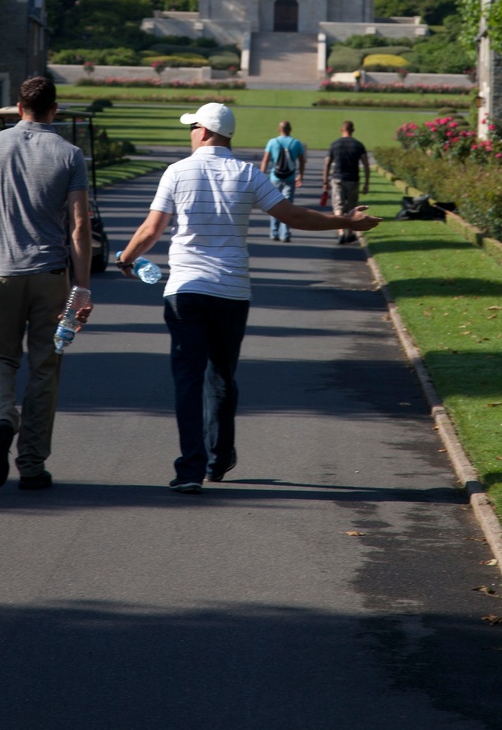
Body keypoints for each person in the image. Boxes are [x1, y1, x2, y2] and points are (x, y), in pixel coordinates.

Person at [116, 101, 380, 492]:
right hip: (231, 291)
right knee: (221, 376)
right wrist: (346, 221)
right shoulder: (246, 174)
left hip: (186, 290)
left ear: (204, 132)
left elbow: (153, 228)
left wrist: (126, 257)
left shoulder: (177, 172)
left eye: (193, 128)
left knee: (188, 379)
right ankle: (218, 459)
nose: (191, 133)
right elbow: (293, 216)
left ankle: (190, 468)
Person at [0, 74, 92, 492]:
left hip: (0, 272)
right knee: (45, 369)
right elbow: (79, 226)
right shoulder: (70, 155)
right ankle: (31, 462)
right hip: (51, 276)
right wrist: (82, 287)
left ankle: (2, 418)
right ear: (54, 109)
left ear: (18, 108)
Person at [323, 120, 370, 245]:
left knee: (338, 206)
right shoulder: (358, 145)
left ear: (341, 129)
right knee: (352, 207)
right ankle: (349, 233)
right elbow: (366, 165)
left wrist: (325, 182)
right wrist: (367, 183)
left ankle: (340, 232)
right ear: (353, 130)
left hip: (337, 178)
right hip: (353, 179)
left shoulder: (335, 144)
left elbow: (327, 163)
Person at [259, 119, 306, 242]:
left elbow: (265, 160)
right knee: (288, 207)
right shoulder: (296, 143)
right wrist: (300, 175)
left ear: (279, 129)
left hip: (275, 177)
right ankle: (285, 234)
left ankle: (274, 232)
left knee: (274, 205)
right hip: (290, 178)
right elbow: (301, 161)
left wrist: (262, 176)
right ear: (290, 129)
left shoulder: (272, 142)